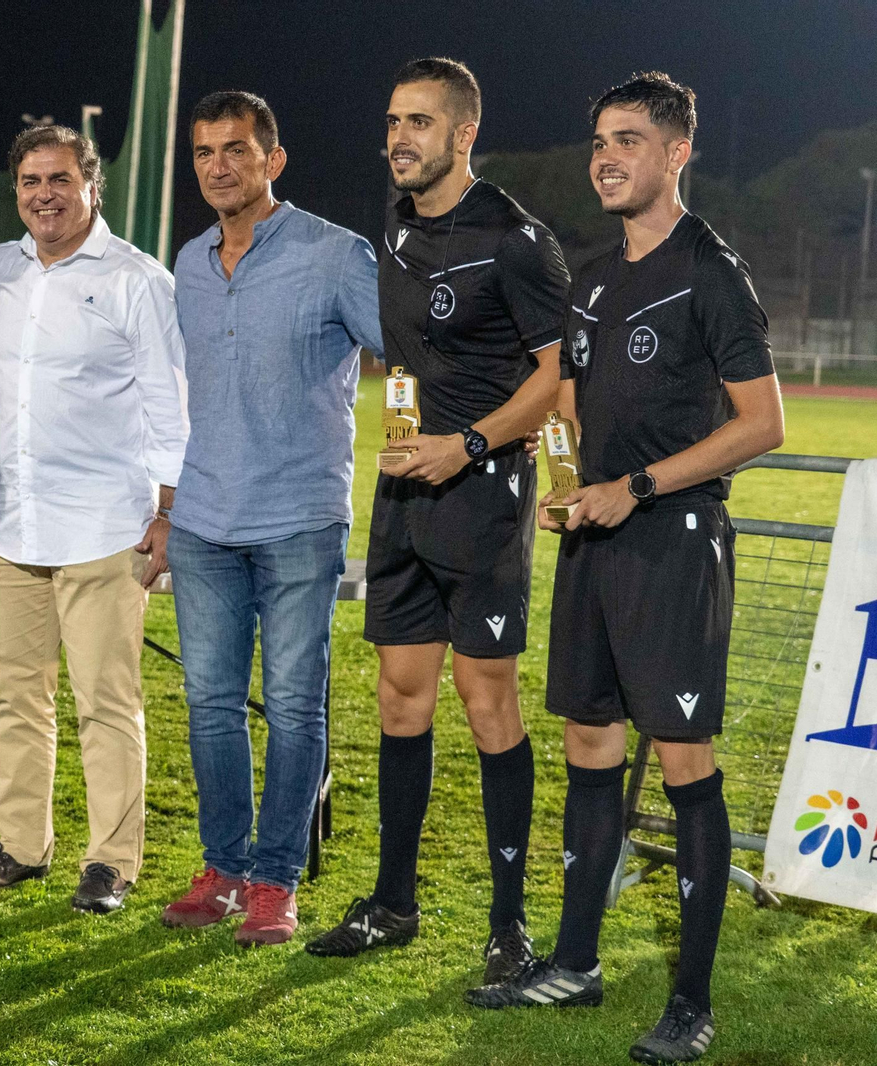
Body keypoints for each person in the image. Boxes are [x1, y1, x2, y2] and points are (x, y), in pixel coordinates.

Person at [468, 73, 784, 1066]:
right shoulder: (594, 276)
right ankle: (574, 961)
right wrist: (568, 482)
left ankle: (690, 1003)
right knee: (589, 749)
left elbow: (763, 424)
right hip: (594, 541)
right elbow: (568, 403)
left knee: (684, 762)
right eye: (598, 140)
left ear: (676, 152)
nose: (606, 156)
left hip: (672, 542)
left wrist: (636, 486)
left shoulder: (711, 269)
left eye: (628, 140)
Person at [304, 58, 570, 995]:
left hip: (484, 495)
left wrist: (467, 445)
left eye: (418, 122)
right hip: (405, 492)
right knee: (399, 698)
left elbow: (555, 377)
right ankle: (392, 901)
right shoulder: (395, 226)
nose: (398, 139)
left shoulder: (517, 239)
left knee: (486, 702)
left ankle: (509, 926)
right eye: (391, 121)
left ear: (463, 134)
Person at [158, 91, 382, 946]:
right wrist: (172, 506)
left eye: (236, 150)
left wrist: (418, 440)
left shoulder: (335, 254)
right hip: (207, 515)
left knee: (292, 706)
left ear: (272, 159)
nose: (219, 165)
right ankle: (220, 869)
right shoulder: (188, 261)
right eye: (205, 152)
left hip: (297, 516)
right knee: (210, 703)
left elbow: (402, 354)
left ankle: (275, 880)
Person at [0, 125, 188, 915]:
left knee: (106, 702)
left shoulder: (137, 279)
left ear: (92, 186)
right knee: (16, 696)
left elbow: (169, 403)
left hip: (103, 526)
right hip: (6, 522)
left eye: (58, 179)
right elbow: (0, 366)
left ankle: (112, 860)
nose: (42, 195)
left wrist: (167, 511)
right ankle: (21, 845)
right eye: (28, 181)